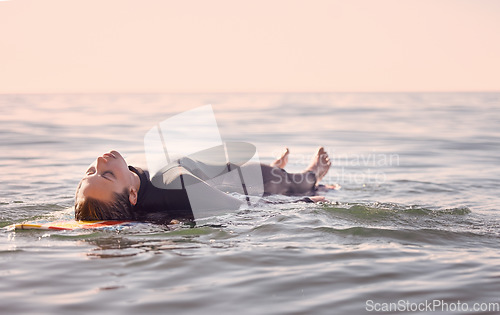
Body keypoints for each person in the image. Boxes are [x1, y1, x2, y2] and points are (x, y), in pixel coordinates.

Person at [74, 147, 335, 224]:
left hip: (213, 176)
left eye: (91, 172)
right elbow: (242, 208)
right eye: (106, 174)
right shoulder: (177, 188)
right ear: (132, 194)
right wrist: (302, 204)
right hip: (239, 189)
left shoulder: (141, 195)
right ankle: (313, 175)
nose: (99, 160)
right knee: (292, 183)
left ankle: (275, 170)